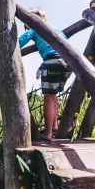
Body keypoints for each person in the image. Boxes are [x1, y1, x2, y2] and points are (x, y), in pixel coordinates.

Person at [19, 9, 71, 141]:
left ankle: (48, 133)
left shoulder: (34, 29)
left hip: (52, 62)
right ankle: (54, 125)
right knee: (54, 95)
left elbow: (18, 43)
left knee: (48, 96)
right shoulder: (57, 30)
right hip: (68, 63)